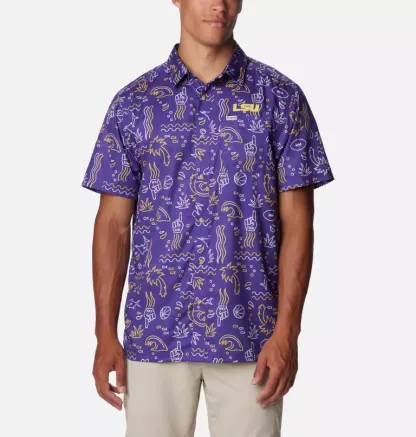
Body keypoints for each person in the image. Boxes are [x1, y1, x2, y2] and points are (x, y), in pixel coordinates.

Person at [81, 1, 335, 436]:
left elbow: (298, 225)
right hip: (155, 333)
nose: (219, 4)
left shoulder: (280, 98)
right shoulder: (134, 104)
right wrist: (105, 333)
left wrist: (286, 334)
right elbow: (112, 226)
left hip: (253, 337)